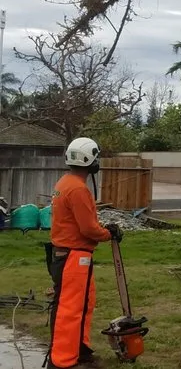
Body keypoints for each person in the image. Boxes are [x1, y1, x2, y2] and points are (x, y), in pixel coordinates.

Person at [44, 137, 123, 369]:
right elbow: (88, 228)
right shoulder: (78, 189)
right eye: (96, 157)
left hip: (70, 255)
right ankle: (63, 360)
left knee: (83, 304)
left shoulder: (65, 183)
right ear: (89, 159)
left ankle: (79, 349)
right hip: (73, 257)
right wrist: (108, 234)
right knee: (69, 309)